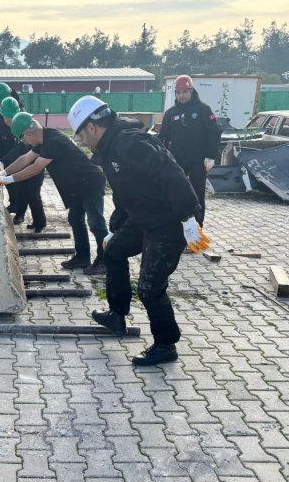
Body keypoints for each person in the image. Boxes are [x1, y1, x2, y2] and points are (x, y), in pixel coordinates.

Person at [68, 96, 210, 366]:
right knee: (113, 251)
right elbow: (126, 193)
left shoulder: (130, 143)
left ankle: (166, 346)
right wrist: (116, 229)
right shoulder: (111, 147)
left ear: (92, 128)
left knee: (149, 287)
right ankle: (117, 315)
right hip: (144, 217)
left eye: (81, 136)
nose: (82, 142)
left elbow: (172, 173)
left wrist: (189, 217)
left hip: (169, 221)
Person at [0, 112, 108, 275]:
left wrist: (8, 180)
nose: (25, 143)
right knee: (75, 219)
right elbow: (25, 159)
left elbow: (35, 168)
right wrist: (3, 173)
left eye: (23, 139)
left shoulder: (53, 142)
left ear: (28, 134)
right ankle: (82, 257)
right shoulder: (45, 138)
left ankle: (104, 261)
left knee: (96, 223)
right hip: (78, 185)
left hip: (91, 183)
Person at [158, 75, 222, 226]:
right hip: (177, 160)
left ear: (191, 91)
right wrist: (161, 158)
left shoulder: (203, 109)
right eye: (178, 92)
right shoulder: (171, 113)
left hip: (198, 161)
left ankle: (197, 228)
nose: (181, 96)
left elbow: (214, 132)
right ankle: (178, 227)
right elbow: (164, 137)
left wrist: (211, 155)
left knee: (197, 194)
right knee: (176, 193)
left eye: (184, 92)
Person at [0, 97, 46, 232]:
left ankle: (39, 224)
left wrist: (4, 165)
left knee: (33, 195)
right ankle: (22, 215)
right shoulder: (1, 126)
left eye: (11, 116)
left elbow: (21, 150)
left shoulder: (24, 125)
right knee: (22, 192)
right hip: (18, 163)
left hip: (34, 164)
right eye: (6, 116)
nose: (9, 119)